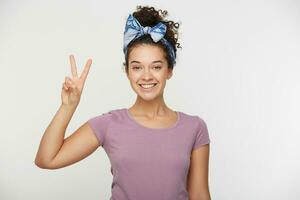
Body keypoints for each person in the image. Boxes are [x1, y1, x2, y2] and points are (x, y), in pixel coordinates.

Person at [34, 5, 211, 200]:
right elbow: (46, 159)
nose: (146, 76)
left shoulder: (194, 127)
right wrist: (68, 106)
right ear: (127, 72)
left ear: (169, 70)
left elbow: (200, 194)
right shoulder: (109, 124)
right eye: (137, 67)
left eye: (156, 67)